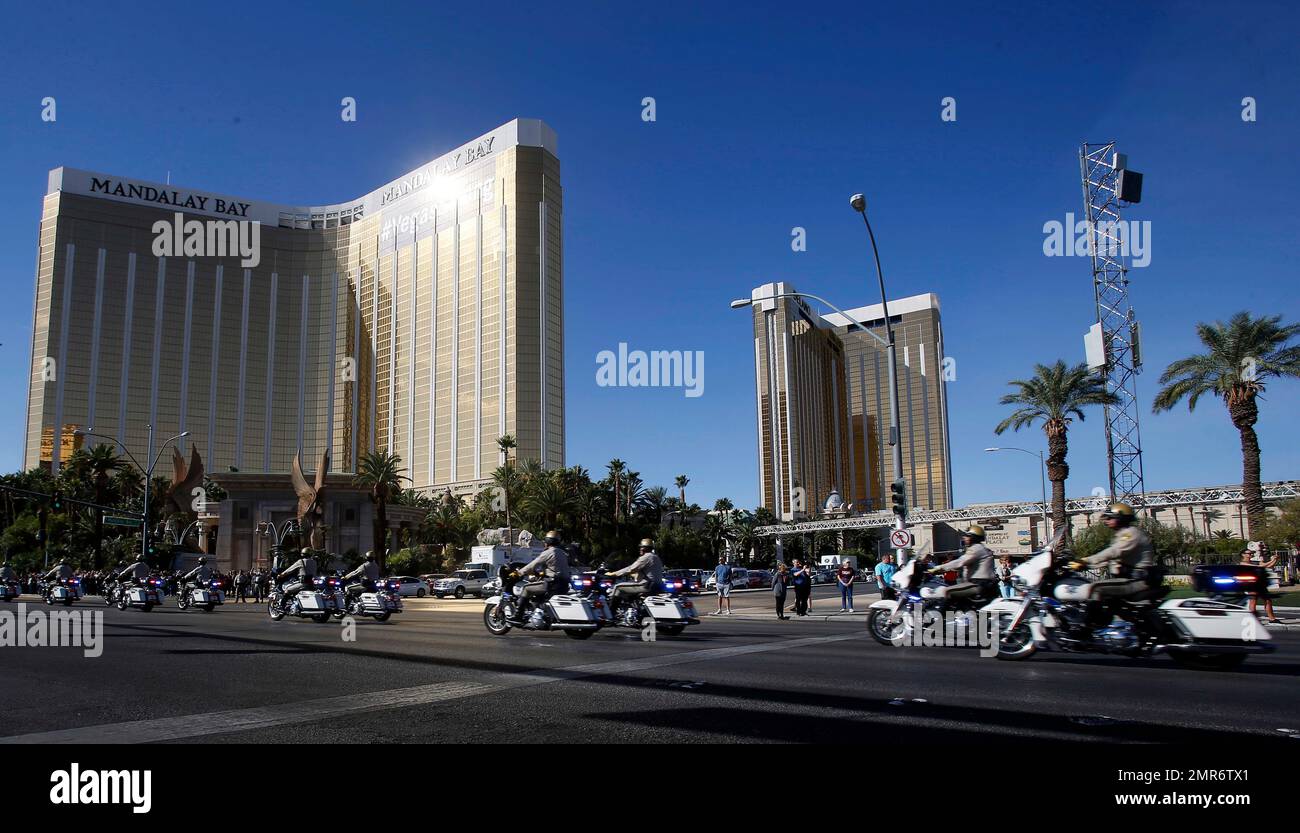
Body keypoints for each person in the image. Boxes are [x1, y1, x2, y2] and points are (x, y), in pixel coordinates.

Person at [1076, 503, 1157, 603]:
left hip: (1137, 580)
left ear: (1120, 518)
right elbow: (1112, 560)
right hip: (1131, 578)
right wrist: (1085, 566)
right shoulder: (1123, 534)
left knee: (1095, 588)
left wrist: (1086, 560)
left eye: (1110, 518)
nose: (1107, 521)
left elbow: (1114, 552)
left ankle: (1092, 619)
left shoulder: (1131, 533)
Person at [928, 525, 997, 605]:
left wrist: (938, 567)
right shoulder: (981, 548)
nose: (964, 537)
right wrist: (941, 571)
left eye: (967, 536)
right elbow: (963, 566)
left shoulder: (976, 548)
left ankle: (946, 616)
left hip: (978, 584)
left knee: (945, 591)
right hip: (984, 584)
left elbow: (960, 562)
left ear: (974, 537)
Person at [513, 531, 571, 621]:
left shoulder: (548, 552)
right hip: (564, 584)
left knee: (526, 589)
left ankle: (518, 615)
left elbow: (532, 565)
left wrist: (519, 573)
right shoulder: (563, 553)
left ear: (547, 541)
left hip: (552, 584)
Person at [607, 538, 663, 613]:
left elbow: (631, 568)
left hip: (646, 585)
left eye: (641, 547)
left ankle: (610, 614)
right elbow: (647, 572)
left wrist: (613, 574)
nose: (640, 549)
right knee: (628, 588)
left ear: (645, 548)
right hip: (657, 586)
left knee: (618, 587)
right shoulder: (656, 557)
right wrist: (633, 574)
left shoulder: (646, 557)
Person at [1241, 547, 1282, 624]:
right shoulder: (1243, 563)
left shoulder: (1255, 561)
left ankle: (1272, 618)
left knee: (1268, 600)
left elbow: (1268, 566)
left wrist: (1275, 559)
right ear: (1243, 555)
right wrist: (1272, 560)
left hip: (1260, 584)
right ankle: (1252, 619)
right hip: (1251, 584)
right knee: (1253, 601)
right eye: (1249, 553)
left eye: (1251, 553)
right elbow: (1260, 567)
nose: (1251, 554)